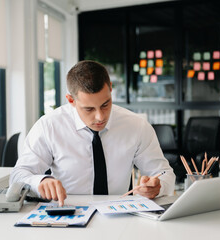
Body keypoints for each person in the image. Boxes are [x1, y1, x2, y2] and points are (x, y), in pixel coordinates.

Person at [10, 60, 175, 206]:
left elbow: (164, 173)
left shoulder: (136, 126)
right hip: (68, 214)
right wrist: (40, 181)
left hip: (120, 216)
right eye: (89, 109)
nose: (100, 117)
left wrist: (157, 187)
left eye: (105, 104)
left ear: (110, 88)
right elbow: (18, 176)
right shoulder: (49, 127)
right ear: (71, 100)